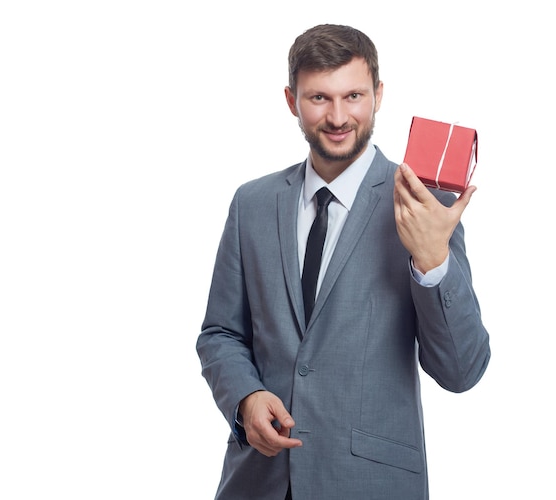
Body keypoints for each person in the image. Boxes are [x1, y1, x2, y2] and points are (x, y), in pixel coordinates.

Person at [196, 23, 490, 500]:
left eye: (353, 95)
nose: (337, 117)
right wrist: (245, 397)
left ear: (378, 94)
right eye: (319, 98)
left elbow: (462, 371)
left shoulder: (423, 203)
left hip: (369, 484)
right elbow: (220, 334)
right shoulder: (251, 203)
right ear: (291, 101)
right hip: (258, 483)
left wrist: (433, 259)